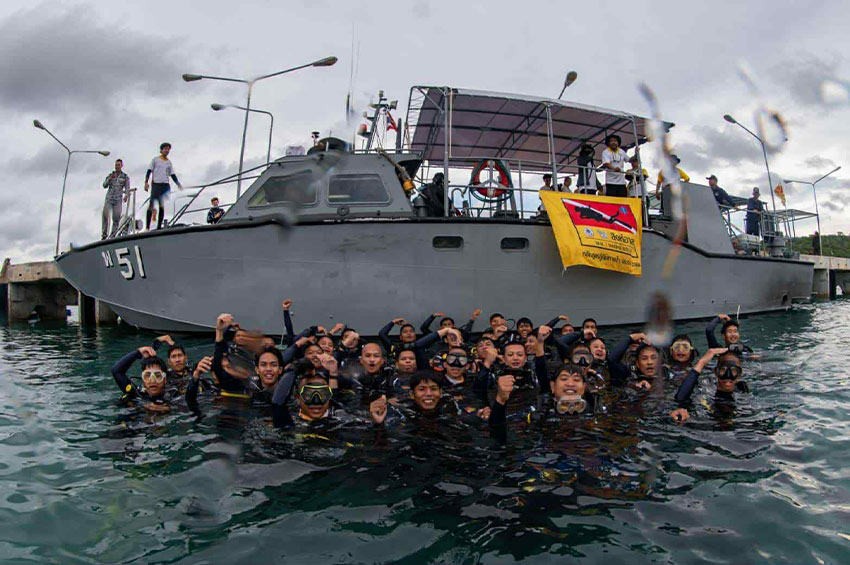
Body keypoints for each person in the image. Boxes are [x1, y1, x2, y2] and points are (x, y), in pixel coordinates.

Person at [670, 348, 749, 423]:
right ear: (716, 372)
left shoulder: (742, 389)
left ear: (739, 374)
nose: (728, 375)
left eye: (734, 370)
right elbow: (680, 399)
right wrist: (702, 362)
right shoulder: (706, 390)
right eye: (723, 370)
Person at [111, 346, 175, 412]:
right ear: (143, 380)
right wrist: (137, 353)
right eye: (147, 375)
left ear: (164, 380)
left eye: (158, 375)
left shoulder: (173, 396)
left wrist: (166, 409)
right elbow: (116, 371)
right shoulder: (135, 393)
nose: (152, 380)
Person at [144, 142, 183, 230]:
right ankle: (147, 226)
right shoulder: (155, 160)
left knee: (162, 205)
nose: (167, 150)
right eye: (165, 149)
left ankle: (159, 227)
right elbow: (149, 171)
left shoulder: (169, 162)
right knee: (152, 205)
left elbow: (172, 175)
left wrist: (178, 184)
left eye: (168, 149)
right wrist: (146, 182)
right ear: (161, 150)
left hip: (165, 185)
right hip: (156, 184)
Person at [102, 159, 130, 240]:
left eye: (118, 165)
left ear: (121, 166)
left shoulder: (125, 177)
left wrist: (126, 195)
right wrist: (109, 179)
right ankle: (104, 234)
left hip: (118, 200)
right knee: (105, 215)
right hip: (109, 199)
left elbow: (127, 188)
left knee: (116, 218)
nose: (117, 166)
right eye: (116, 165)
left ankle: (113, 235)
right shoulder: (111, 175)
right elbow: (104, 185)